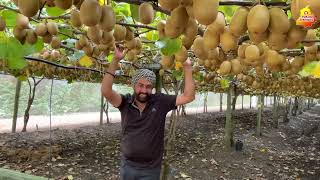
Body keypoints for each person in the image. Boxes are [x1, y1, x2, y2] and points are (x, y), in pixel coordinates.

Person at [101, 47, 195, 180]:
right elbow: (106, 91)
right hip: (127, 166)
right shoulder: (125, 102)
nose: (144, 90)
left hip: (151, 169)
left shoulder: (160, 101)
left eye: (148, 86)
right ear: (133, 85)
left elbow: (188, 97)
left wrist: (187, 68)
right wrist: (115, 60)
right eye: (140, 85)